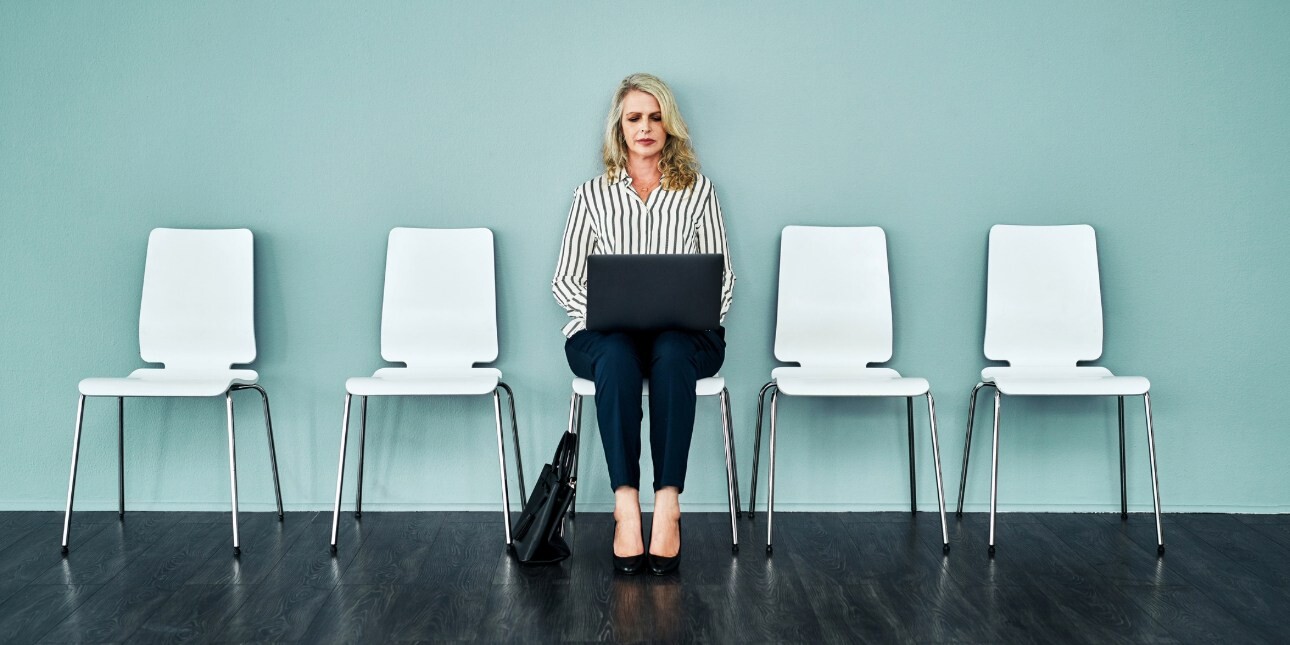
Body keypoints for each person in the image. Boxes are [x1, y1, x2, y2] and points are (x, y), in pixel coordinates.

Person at [552, 73, 735, 575]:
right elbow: (565, 280)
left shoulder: (697, 192)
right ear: (620, 128)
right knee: (616, 354)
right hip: (605, 337)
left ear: (669, 125)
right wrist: (609, 314)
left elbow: (721, 278)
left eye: (655, 117)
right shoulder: (591, 195)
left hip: (684, 336)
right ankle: (626, 505)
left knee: (673, 351)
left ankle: (669, 505)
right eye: (634, 118)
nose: (646, 127)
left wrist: (696, 313)